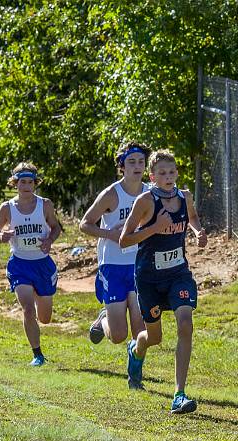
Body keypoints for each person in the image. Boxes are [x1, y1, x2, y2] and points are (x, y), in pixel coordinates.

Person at [119, 150, 208, 411]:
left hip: (178, 274)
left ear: (177, 173)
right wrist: (154, 228)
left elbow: (192, 217)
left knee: (185, 323)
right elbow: (125, 239)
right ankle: (136, 349)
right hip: (148, 278)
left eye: (172, 172)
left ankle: (179, 394)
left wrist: (197, 232)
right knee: (154, 338)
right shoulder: (145, 201)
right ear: (152, 176)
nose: (168, 177)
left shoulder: (185, 197)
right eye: (162, 173)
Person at [79, 142, 150, 387]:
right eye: (132, 162)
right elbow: (85, 223)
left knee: (140, 327)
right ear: (122, 166)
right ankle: (104, 319)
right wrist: (112, 234)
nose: (137, 166)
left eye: (141, 162)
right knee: (118, 335)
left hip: (140, 265)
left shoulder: (151, 193)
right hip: (113, 265)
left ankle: (135, 376)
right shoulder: (113, 194)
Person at [0, 162, 61, 367]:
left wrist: (49, 240)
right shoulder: (7, 208)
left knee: (45, 317)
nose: (26, 186)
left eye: (30, 182)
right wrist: (0, 235)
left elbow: (55, 227)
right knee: (28, 309)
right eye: (22, 182)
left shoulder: (45, 205)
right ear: (15, 183)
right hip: (20, 264)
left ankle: (40, 305)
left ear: (35, 184)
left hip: (42, 265)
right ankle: (37, 354)